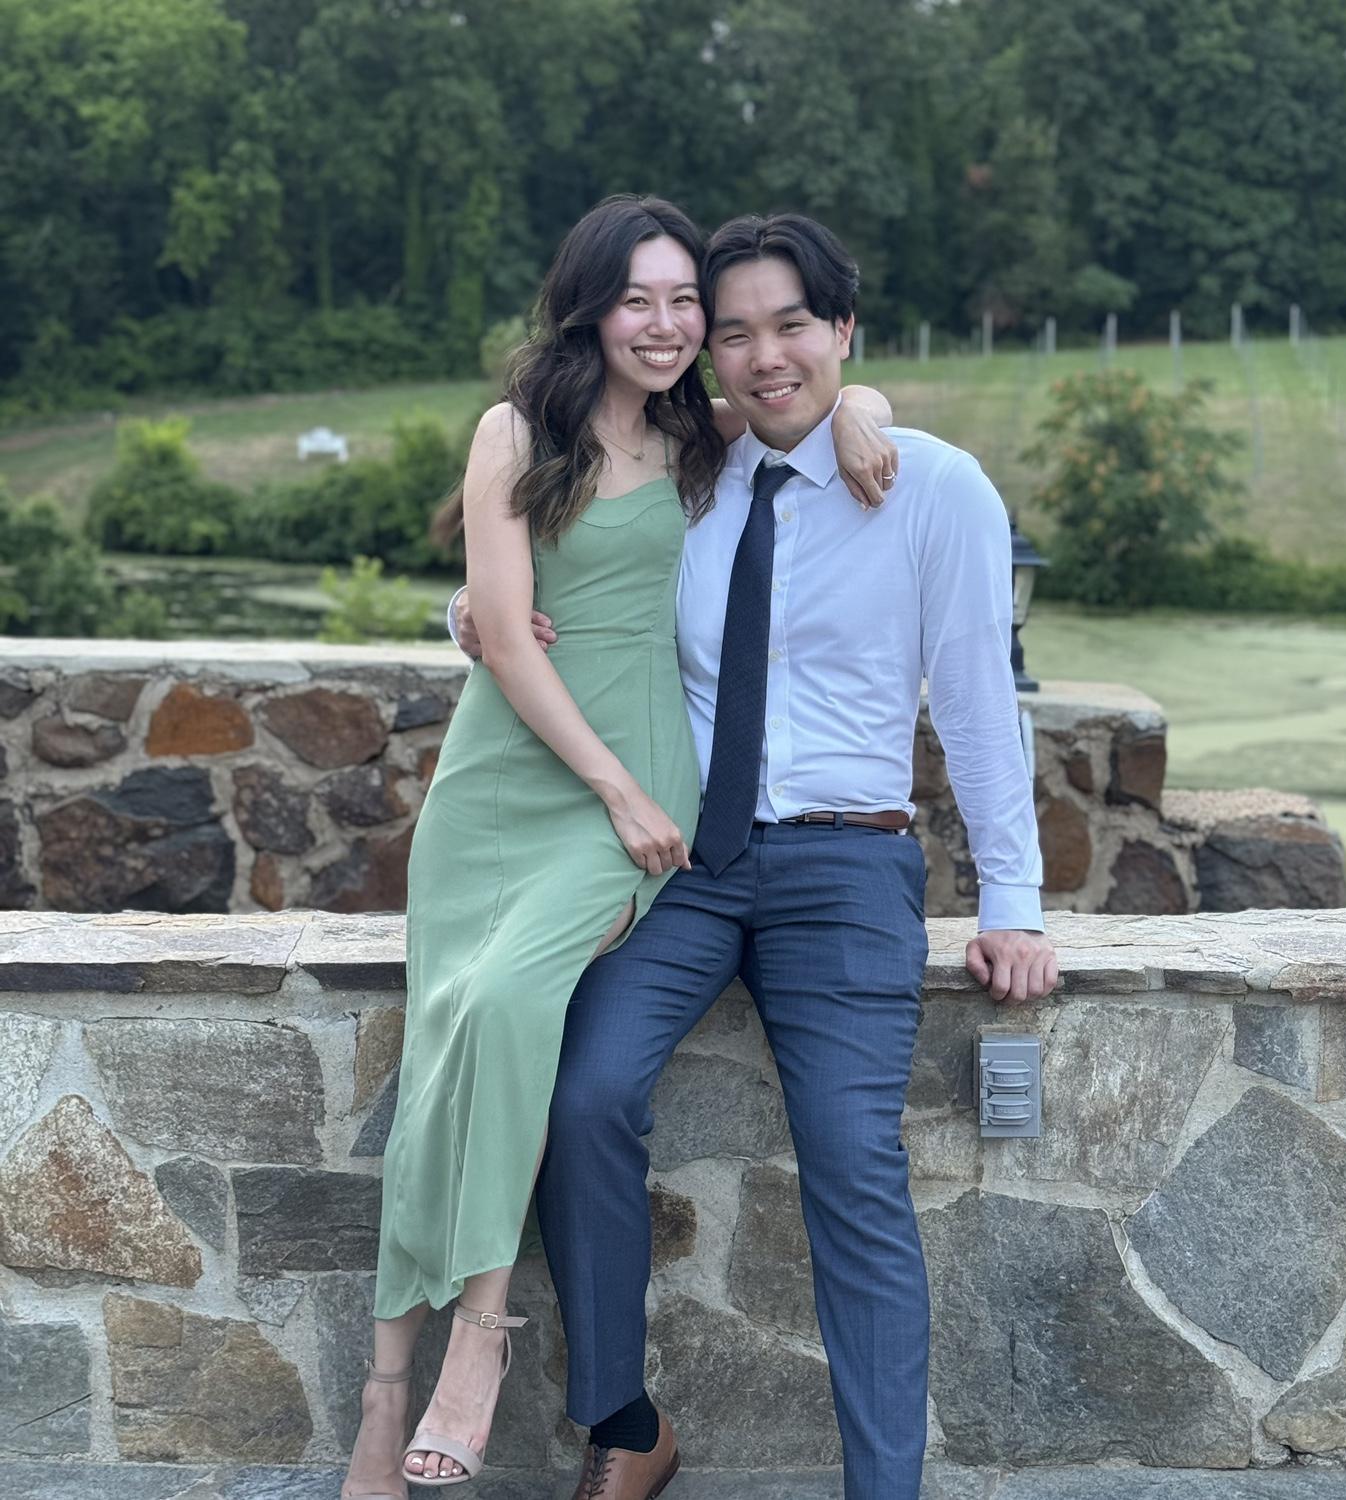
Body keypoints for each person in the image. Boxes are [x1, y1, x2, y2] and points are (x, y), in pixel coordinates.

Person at [450, 213, 1057, 1500]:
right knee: (583, 1099)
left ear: (844, 330)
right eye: (734, 333)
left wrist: (1014, 900)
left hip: (847, 869)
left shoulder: (933, 487)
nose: (764, 354)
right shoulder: (689, 470)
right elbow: (567, 581)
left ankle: (883, 1490)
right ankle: (627, 1426)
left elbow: (977, 704)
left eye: (793, 326)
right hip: (685, 862)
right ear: (707, 356)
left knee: (851, 1159)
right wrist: (471, 611)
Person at [339, 194, 895, 1500]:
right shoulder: (515, 430)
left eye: (683, 299)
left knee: (511, 1006)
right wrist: (477, 622)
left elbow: (814, 394)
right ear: (590, 306)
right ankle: (382, 1403)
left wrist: (867, 405)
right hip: (509, 781)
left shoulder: (704, 433)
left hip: (638, 789)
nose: (667, 323)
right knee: (453, 1029)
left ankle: (479, 1340)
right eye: (638, 298)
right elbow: (501, 628)